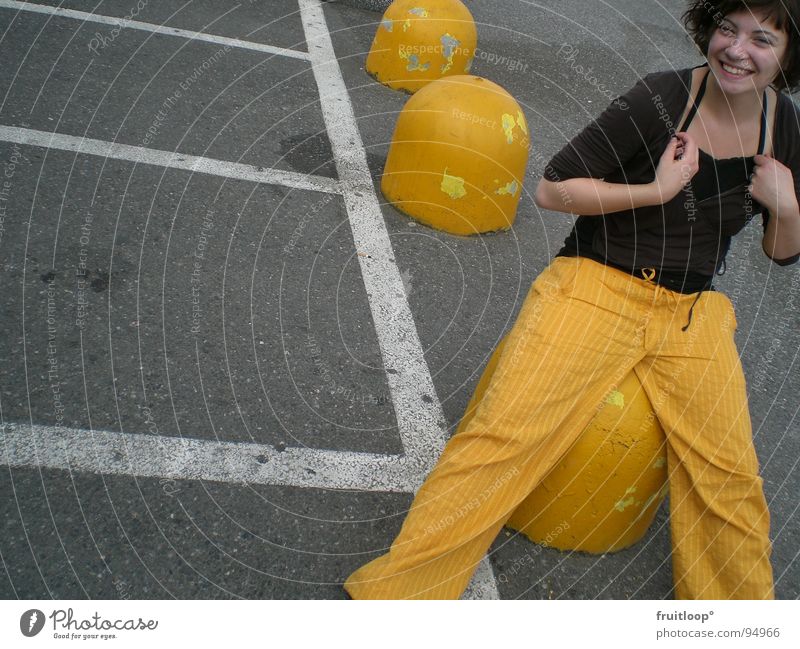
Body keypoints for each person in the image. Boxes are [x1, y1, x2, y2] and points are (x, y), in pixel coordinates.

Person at [344, 0, 800, 600]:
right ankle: (397, 601)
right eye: (727, 28)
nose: (738, 50)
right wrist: (658, 188)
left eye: (762, 39)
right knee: (505, 437)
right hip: (596, 285)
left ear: (788, 56)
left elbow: (781, 250)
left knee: (731, 481)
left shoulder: (782, 123)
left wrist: (787, 205)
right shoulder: (659, 99)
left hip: (691, 314)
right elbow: (552, 188)